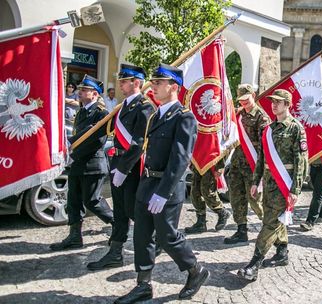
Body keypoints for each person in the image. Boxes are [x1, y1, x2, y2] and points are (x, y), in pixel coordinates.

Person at [115, 64, 208, 303]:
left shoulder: (184, 117)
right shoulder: (156, 114)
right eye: (153, 82)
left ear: (173, 87)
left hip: (166, 188)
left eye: (158, 83)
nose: (153, 86)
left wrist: (164, 192)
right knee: (142, 235)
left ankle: (195, 270)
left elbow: (180, 159)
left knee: (168, 236)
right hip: (147, 183)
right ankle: (143, 285)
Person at [87, 64, 156, 270]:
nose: (120, 84)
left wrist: (124, 169)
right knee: (119, 212)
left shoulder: (145, 106)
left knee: (132, 210)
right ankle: (115, 253)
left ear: (136, 83)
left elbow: (138, 143)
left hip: (131, 167)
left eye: (124, 81)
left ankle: (160, 239)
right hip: (118, 162)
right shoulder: (124, 105)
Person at [237, 89, 308, 281]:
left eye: (278, 102)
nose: (273, 104)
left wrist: (295, 189)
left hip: (284, 183)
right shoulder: (269, 129)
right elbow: (261, 158)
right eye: (272, 102)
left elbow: (301, 161)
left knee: (270, 222)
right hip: (268, 181)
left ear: (287, 104)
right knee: (274, 218)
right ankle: (282, 251)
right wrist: (255, 181)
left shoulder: (295, 128)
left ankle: (254, 264)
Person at [50, 75, 113, 251]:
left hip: (93, 165)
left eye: (84, 90)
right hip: (78, 164)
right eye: (80, 89)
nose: (80, 92)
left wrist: (73, 146)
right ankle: (74, 237)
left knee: (92, 200)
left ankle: (117, 224)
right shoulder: (81, 112)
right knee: (73, 201)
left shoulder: (102, 113)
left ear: (94, 94)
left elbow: (96, 140)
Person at [224, 84, 268, 244]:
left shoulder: (261, 117)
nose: (243, 102)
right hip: (237, 163)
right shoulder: (238, 114)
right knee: (236, 197)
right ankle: (241, 230)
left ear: (253, 95)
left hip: (253, 166)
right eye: (241, 100)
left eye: (246, 99)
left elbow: (265, 145)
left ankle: (270, 229)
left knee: (255, 199)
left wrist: (262, 170)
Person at [184, 160, 231, 234]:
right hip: (198, 163)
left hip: (211, 164)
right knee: (195, 193)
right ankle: (201, 223)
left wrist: (220, 167)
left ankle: (222, 212)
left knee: (208, 193)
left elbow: (224, 149)